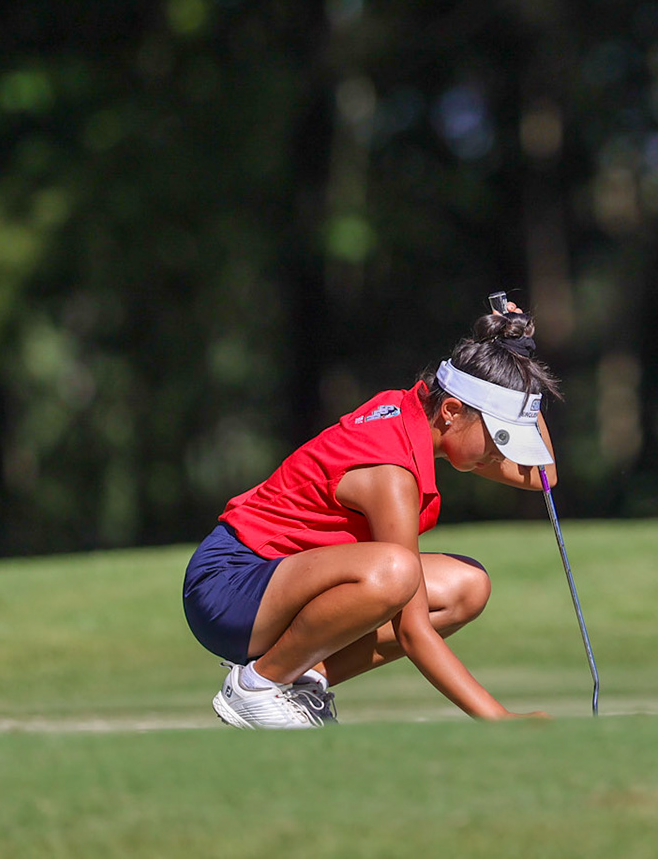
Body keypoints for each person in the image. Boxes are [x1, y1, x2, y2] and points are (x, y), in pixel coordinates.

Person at [182, 301, 559, 727]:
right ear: (452, 411)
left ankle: (298, 679)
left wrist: (519, 362)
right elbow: (412, 632)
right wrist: (499, 720)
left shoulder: (416, 413)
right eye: (498, 438)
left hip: (274, 582)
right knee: (396, 572)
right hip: (229, 588)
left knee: (466, 587)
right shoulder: (390, 471)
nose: (500, 455)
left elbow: (543, 475)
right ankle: (256, 686)